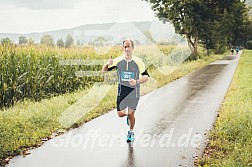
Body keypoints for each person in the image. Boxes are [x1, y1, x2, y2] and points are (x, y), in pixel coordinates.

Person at [102, 40, 149, 142]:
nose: (127, 49)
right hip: (121, 91)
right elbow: (104, 71)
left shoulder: (138, 61)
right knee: (120, 114)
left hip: (134, 92)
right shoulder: (118, 60)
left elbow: (146, 77)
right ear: (123, 48)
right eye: (125, 47)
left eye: (129, 46)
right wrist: (107, 63)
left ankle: (131, 132)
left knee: (132, 113)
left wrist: (136, 81)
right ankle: (129, 117)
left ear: (132, 48)